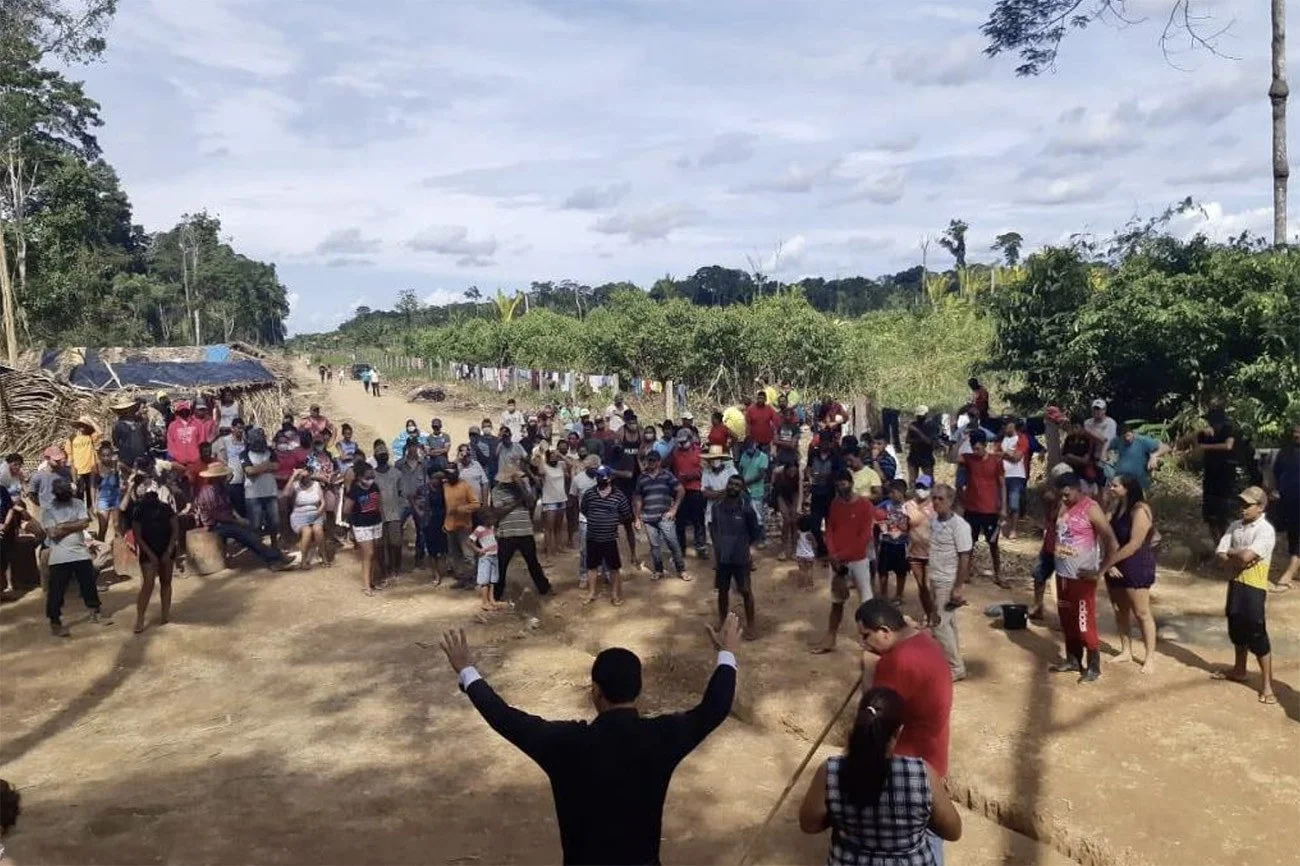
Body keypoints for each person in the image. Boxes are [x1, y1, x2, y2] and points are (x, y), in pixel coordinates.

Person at [438, 615, 739, 866]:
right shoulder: (662, 737)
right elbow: (715, 707)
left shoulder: (566, 743)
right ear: (638, 692)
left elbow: (504, 717)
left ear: (595, 691)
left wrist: (467, 670)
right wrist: (727, 654)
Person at [798, 687, 963, 865]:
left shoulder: (830, 771)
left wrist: (839, 818)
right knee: (934, 838)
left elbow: (809, 824)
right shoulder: (922, 774)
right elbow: (953, 832)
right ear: (898, 731)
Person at [857, 598, 955, 866]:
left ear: (885, 631)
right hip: (934, 753)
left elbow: (873, 718)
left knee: (914, 836)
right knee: (929, 830)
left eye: (866, 636)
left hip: (908, 762)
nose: (864, 644)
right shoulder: (923, 639)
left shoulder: (897, 663)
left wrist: (868, 670)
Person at [1049, 472, 1119, 683]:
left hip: (1082, 578)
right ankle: (1073, 659)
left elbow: (1112, 542)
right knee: (1066, 620)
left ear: (1079, 489)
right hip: (1062, 575)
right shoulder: (1063, 506)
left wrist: (1100, 570)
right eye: (1061, 495)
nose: (1064, 499)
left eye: (1067, 495)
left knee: (1083, 622)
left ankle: (1094, 666)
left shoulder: (1091, 509)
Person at [1212, 486, 1278, 704]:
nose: (1242, 509)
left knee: (1256, 632)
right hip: (1237, 583)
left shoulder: (1265, 530)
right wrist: (1236, 556)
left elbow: (1245, 556)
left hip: (1254, 586)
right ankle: (1239, 669)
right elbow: (1221, 554)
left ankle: (1267, 685)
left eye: (1247, 505)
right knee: (1236, 625)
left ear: (1260, 507)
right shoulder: (1235, 527)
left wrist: (1233, 555)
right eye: (1241, 504)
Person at [1099, 474, 1158, 673]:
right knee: (1119, 609)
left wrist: (1107, 564)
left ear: (1127, 487)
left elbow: (1134, 545)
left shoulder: (1140, 509)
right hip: (1115, 564)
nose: (1111, 488)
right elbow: (1105, 533)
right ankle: (1126, 651)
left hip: (1136, 564)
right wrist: (1110, 563)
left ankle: (1149, 657)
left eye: (1115, 485)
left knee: (1141, 612)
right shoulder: (1116, 507)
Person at [813, 469, 875, 654]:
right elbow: (830, 529)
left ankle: (870, 639)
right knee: (837, 600)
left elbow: (863, 538)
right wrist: (832, 553)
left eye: (844, 483)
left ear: (851, 483)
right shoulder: (835, 504)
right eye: (838, 484)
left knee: (866, 601)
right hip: (838, 560)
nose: (841, 487)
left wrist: (838, 555)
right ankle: (830, 637)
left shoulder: (865, 505)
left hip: (857, 559)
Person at [40, 477, 108, 637]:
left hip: (80, 553)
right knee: (56, 590)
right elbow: (52, 534)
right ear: (56, 493)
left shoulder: (77, 503)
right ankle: (55, 621)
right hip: (59, 556)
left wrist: (62, 525)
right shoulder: (49, 509)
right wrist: (74, 525)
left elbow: (85, 523)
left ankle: (95, 613)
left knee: (88, 585)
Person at [194, 463, 291, 572]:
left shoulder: (220, 488)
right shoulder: (208, 492)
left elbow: (230, 507)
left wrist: (239, 518)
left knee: (250, 533)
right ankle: (274, 558)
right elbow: (216, 515)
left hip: (225, 521)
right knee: (244, 534)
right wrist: (237, 521)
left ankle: (274, 558)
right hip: (214, 525)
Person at [923, 483, 971, 681]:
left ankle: (956, 667)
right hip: (935, 577)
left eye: (941, 499)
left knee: (939, 624)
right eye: (933, 498)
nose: (936, 502)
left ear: (950, 501)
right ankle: (953, 660)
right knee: (948, 623)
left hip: (948, 581)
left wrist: (958, 586)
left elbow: (965, 556)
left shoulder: (960, 526)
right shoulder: (934, 520)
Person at [491, 464, 552, 602]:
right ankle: (497, 593)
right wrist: (517, 502)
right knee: (501, 564)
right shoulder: (496, 491)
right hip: (506, 533)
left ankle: (544, 587)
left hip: (525, 530)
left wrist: (522, 488)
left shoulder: (522, 487)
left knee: (532, 562)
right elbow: (498, 512)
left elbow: (531, 503)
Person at [710, 474, 761, 637]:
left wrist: (747, 548)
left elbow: (755, 532)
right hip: (723, 556)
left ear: (742, 488)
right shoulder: (716, 506)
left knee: (746, 590)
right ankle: (723, 621)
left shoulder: (746, 507)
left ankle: (751, 625)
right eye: (731, 484)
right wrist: (717, 548)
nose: (733, 487)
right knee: (722, 591)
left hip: (740, 556)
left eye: (737, 485)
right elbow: (713, 527)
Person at [957, 430, 1005, 588]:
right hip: (972, 508)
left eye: (978, 448)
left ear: (985, 445)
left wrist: (1003, 507)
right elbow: (951, 458)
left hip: (990, 509)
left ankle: (998, 575)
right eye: (973, 448)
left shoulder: (996, 461)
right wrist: (960, 440)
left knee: (993, 544)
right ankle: (965, 573)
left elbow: (1002, 484)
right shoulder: (969, 459)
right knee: (969, 543)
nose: (975, 451)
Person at [131, 479, 179, 634]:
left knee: (166, 582)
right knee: (148, 584)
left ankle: (165, 615)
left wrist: (168, 551)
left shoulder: (166, 509)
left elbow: (175, 531)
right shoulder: (138, 511)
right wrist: (151, 555)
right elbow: (138, 536)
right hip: (148, 550)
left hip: (166, 548)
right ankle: (140, 619)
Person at [580, 466, 633, 606]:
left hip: (610, 538)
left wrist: (612, 521)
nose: (599, 479)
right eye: (598, 476)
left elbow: (626, 514)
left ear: (610, 478)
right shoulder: (589, 493)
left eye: (602, 477)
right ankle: (591, 593)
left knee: (614, 568)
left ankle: (615, 595)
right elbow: (584, 509)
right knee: (591, 566)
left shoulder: (618, 495)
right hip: (592, 537)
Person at [634, 450, 689, 582]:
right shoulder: (642, 478)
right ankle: (658, 570)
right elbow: (638, 498)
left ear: (659, 462)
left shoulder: (667, 475)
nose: (651, 463)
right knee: (654, 546)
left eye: (653, 460)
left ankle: (681, 570)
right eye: (649, 460)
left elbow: (681, 490)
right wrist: (637, 517)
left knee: (673, 543)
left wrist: (674, 509)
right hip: (648, 517)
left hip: (665, 516)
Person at [343, 463, 384, 595]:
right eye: (367, 477)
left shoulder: (375, 487)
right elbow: (346, 510)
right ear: (360, 477)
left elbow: (379, 504)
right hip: (361, 525)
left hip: (376, 523)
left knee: (375, 553)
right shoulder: (354, 491)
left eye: (372, 476)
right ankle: (366, 585)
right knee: (368, 554)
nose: (370, 479)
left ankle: (372, 581)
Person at [1268, 422, 1300, 591]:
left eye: (1299, 432)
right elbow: (1276, 473)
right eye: (1295, 432)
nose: (1296, 435)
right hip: (1288, 501)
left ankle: (1287, 575)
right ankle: (1295, 570)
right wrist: (1273, 491)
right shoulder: (1285, 452)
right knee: (1292, 536)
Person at [442, 462, 482, 588]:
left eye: (452, 473)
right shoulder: (445, 487)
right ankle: (461, 578)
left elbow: (476, 504)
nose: (450, 476)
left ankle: (471, 579)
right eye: (448, 474)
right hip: (450, 525)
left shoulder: (465, 486)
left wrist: (461, 509)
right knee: (455, 555)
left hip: (464, 525)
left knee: (468, 554)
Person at [670, 429, 708, 559]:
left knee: (698, 520)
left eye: (684, 442)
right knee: (680, 522)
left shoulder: (700, 452)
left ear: (690, 440)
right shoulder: (675, 453)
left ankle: (701, 546)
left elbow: (704, 470)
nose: (681, 445)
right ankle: (681, 548)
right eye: (679, 442)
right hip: (680, 491)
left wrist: (689, 476)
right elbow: (670, 468)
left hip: (695, 490)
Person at [282, 468, 327, 569]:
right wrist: (293, 477)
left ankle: (324, 557)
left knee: (318, 530)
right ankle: (303, 561)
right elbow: (285, 494)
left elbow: (323, 502)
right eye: (301, 476)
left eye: (306, 476)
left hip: (315, 513)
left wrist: (318, 512)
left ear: (310, 474)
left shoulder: (316, 484)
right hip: (299, 515)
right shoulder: (295, 485)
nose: (304, 478)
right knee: (307, 531)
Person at [241, 427, 280, 547]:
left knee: (274, 522)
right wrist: (266, 465)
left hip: (270, 492)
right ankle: (257, 548)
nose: (260, 441)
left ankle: (274, 547)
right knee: (256, 524)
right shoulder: (244, 454)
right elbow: (249, 471)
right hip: (253, 495)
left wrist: (258, 468)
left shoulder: (270, 451)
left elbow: (276, 466)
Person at [370, 443, 404, 578]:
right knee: (380, 546)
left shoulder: (396, 473)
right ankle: (383, 570)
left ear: (388, 456)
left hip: (395, 513)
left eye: (384, 455)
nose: (382, 457)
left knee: (395, 543)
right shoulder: (372, 475)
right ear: (375, 457)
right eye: (380, 455)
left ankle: (396, 568)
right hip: (378, 515)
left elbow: (402, 494)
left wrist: (401, 511)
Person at [876, 480, 911, 605]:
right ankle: (883, 594)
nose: (890, 495)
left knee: (901, 571)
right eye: (890, 492)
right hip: (886, 542)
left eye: (893, 492)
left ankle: (899, 595)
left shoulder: (908, 506)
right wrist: (881, 523)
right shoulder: (884, 505)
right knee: (883, 570)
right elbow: (875, 517)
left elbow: (912, 524)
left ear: (901, 492)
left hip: (901, 544)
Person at [1108, 423, 1169, 492]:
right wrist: (1105, 455)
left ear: (1132, 433)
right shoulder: (1117, 441)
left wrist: (1154, 456)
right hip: (1121, 481)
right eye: (1124, 437)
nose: (1127, 439)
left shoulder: (1142, 441)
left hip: (1139, 482)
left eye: (1128, 435)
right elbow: (1106, 445)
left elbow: (1166, 447)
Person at [469, 510, 505, 610]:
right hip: (485, 557)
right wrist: (478, 550)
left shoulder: (492, 528)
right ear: (484, 519)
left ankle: (491, 599)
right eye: (491, 518)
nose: (493, 520)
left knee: (492, 580)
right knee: (485, 581)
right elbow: (470, 541)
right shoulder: (479, 529)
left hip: (494, 556)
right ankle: (485, 602)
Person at [738, 438, 770, 549]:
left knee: (758, 516)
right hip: (745, 491)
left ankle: (762, 538)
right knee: (745, 514)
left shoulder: (763, 457)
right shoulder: (744, 456)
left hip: (757, 490)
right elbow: (741, 471)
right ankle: (750, 537)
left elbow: (761, 475)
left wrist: (746, 482)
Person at [999, 419, 1028, 539]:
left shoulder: (1021, 439)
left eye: (1007, 424)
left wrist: (1003, 454)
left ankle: (1014, 530)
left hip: (1017, 475)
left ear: (1013, 425)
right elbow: (995, 454)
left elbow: (1017, 457)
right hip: (1002, 474)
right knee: (1001, 502)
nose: (1005, 426)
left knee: (1014, 504)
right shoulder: (1002, 439)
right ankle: (1001, 529)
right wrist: (1008, 454)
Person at [214, 418, 248, 517]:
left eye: (242, 428)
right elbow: (221, 458)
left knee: (243, 508)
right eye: (238, 428)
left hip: (244, 481)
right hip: (232, 480)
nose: (240, 430)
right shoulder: (225, 441)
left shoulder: (245, 442)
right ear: (232, 428)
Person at [66, 415, 101, 509]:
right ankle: (80, 512)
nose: (82, 427)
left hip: (91, 467)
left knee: (91, 490)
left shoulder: (90, 436)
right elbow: (70, 456)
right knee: (79, 492)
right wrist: (72, 471)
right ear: (77, 426)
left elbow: (100, 432)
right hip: (78, 469)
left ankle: (90, 509)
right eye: (80, 424)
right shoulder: (72, 438)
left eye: (85, 425)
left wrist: (91, 421)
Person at [110, 398, 150, 474]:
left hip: (142, 459)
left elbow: (146, 438)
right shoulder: (118, 425)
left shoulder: (140, 422)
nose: (128, 411)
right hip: (126, 460)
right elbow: (116, 442)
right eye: (124, 410)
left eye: (129, 409)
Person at [92, 442, 121, 541]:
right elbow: (92, 486)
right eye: (103, 456)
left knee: (117, 526)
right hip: (103, 499)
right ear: (99, 456)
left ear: (112, 455)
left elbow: (129, 472)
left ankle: (118, 550)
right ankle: (101, 551)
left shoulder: (117, 465)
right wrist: (94, 503)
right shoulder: (95, 468)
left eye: (108, 455)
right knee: (103, 528)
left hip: (115, 498)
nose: (106, 458)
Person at [904, 407, 937, 486]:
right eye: (918, 416)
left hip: (926, 456)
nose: (919, 418)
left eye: (921, 415)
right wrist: (919, 441)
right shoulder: (914, 424)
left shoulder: (931, 425)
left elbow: (929, 441)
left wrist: (917, 432)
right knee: (912, 481)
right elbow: (907, 440)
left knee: (928, 480)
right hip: (913, 456)